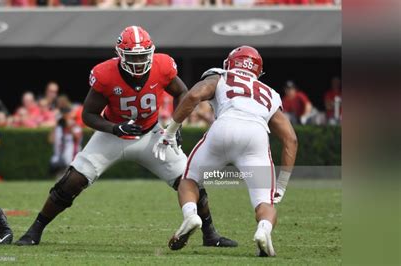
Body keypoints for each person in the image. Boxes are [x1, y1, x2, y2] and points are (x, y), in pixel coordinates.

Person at [15, 26, 237, 248]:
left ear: (151, 52)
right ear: (120, 55)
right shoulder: (105, 74)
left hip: (152, 134)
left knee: (189, 180)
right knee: (72, 181)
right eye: (133, 56)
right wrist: (114, 128)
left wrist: (175, 126)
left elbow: (182, 92)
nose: (139, 61)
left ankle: (210, 234)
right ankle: (35, 230)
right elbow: (88, 115)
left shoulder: (163, 65)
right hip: (113, 135)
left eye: (143, 55)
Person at [154, 46, 298, 256]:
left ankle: (191, 215)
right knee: (264, 203)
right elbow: (291, 139)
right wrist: (282, 184)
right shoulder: (270, 93)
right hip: (255, 135)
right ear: (258, 71)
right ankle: (263, 229)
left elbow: (194, 95)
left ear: (230, 63)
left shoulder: (222, 76)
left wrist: (170, 130)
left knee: (189, 180)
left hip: (224, 127)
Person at [49, 106, 83, 178]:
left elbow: (77, 138)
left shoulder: (75, 125)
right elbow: (50, 140)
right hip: (61, 155)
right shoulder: (59, 127)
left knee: (69, 167)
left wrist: (69, 127)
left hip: (73, 154)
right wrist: (56, 125)